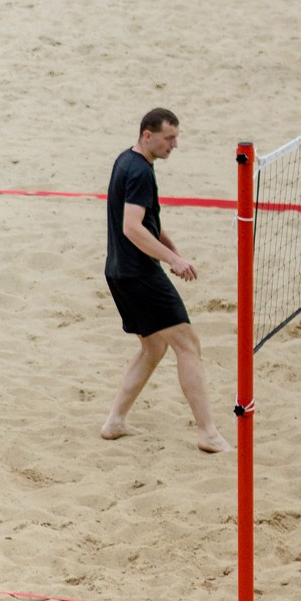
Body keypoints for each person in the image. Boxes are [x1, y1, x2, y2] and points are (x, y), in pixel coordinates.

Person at [101, 108, 231, 453]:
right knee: (187, 344)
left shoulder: (126, 161)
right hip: (138, 274)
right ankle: (208, 433)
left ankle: (115, 422)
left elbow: (147, 221)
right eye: (168, 138)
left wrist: (172, 249)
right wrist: (172, 259)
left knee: (154, 346)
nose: (174, 144)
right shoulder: (140, 171)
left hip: (118, 271)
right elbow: (132, 228)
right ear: (148, 136)